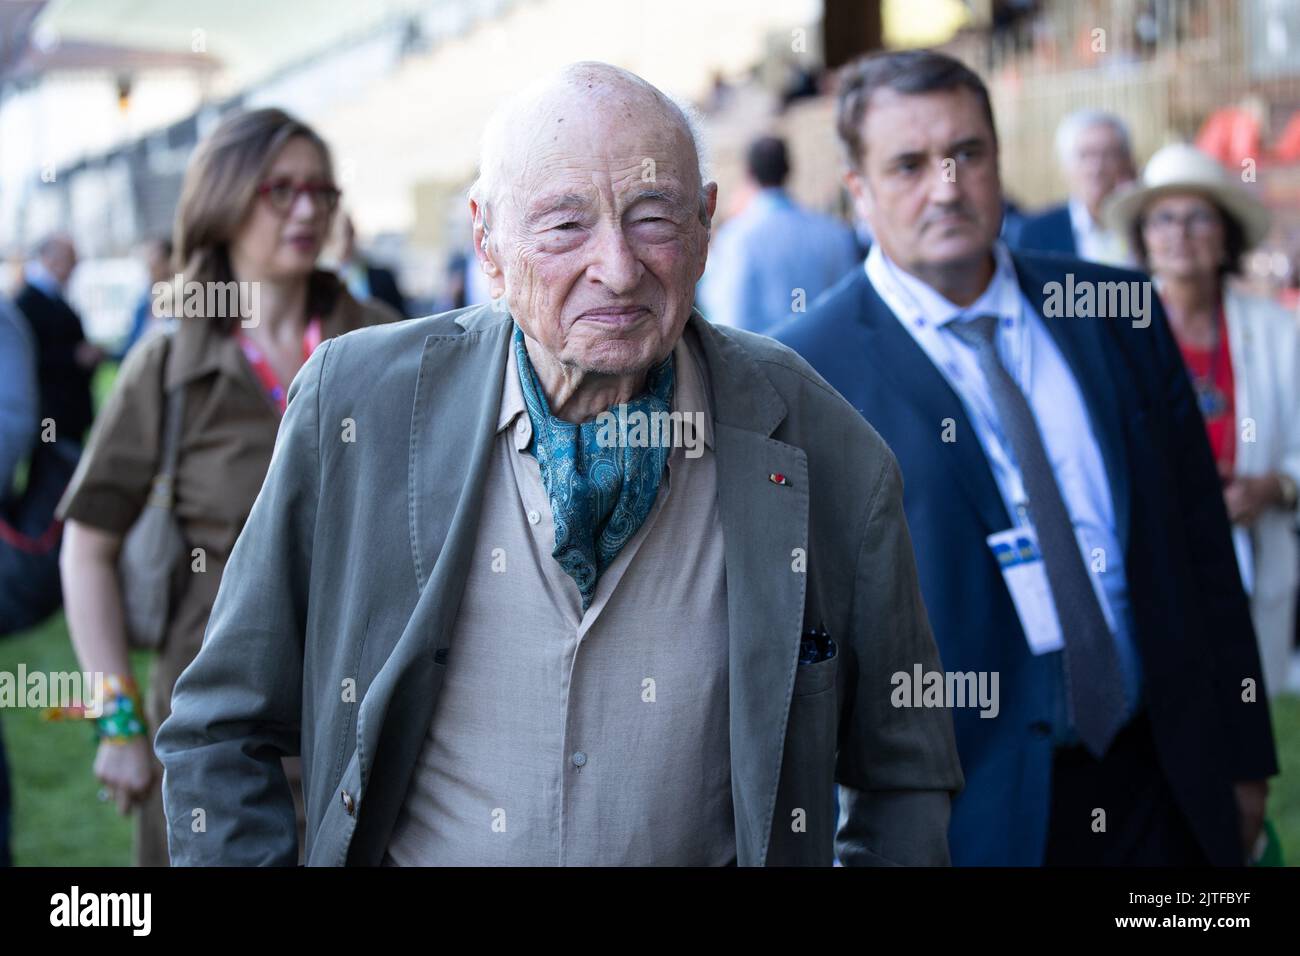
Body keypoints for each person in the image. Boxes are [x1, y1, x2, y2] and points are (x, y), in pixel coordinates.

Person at [155, 62, 963, 867]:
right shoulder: (356, 404)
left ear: (707, 225)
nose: (616, 267)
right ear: (489, 242)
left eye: (654, 218)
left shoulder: (820, 440)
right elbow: (222, 727)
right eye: (564, 225)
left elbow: (904, 768)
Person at [774, 49, 1277, 866]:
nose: (946, 187)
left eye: (967, 154)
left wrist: (1246, 760)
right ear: (857, 190)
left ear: (1000, 159)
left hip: (1164, 783)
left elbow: (1202, 550)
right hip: (974, 817)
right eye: (908, 165)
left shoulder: (1117, 310)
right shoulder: (804, 373)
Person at [55, 108, 400, 867]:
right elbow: (86, 549)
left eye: (321, 189)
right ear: (224, 199)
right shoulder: (167, 364)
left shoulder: (385, 340)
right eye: (280, 190)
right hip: (210, 728)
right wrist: (114, 722)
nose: (308, 209)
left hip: (363, 723)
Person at [1106, 142, 1300, 698]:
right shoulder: (1118, 333)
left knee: (1246, 724)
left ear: (1226, 236)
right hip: (1153, 560)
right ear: (1143, 236)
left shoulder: (1277, 331)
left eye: (1198, 217)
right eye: (1163, 218)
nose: (1180, 233)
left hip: (1251, 558)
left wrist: (1275, 486)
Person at [698, 135, 859, 332]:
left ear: (749, 174)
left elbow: (730, 317)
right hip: (828, 359)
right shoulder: (835, 233)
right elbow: (853, 307)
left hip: (762, 360)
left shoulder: (737, 239)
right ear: (789, 169)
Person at [15, 235, 104, 449]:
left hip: (68, 410)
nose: (74, 267)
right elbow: (30, 357)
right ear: (51, 259)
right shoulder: (28, 302)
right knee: (50, 457)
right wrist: (74, 357)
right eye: (70, 260)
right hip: (49, 412)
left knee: (63, 464)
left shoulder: (55, 298)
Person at [1016, 110, 1136, 266]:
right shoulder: (1038, 232)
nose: (1096, 168)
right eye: (1085, 155)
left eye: (1108, 155)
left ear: (1127, 162)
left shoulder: (1144, 225)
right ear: (1066, 165)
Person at [325, 212, 408, 318]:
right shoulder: (316, 283)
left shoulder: (383, 278)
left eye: (349, 233)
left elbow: (402, 320)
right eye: (336, 235)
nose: (345, 241)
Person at [117, 238, 174, 360]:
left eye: (154, 256)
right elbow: (129, 349)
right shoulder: (142, 305)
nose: (149, 262)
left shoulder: (184, 305)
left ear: (169, 263)